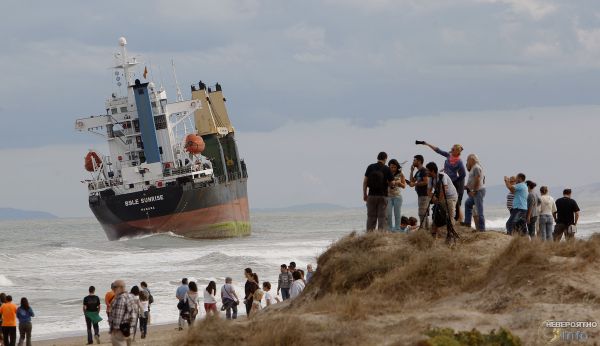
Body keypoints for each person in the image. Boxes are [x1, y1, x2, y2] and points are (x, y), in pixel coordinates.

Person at [422, 142, 467, 222]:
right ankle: (446, 217)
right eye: (451, 149)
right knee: (444, 200)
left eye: (453, 149)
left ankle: (459, 219)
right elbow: (438, 150)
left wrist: (457, 180)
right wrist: (427, 144)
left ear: (457, 151)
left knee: (456, 202)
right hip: (444, 179)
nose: (451, 150)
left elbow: (463, 174)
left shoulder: (459, 162)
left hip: (453, 182)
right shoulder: (449, 156)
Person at [426, 162, 459, 238]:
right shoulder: (431, 178)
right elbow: (428, 191)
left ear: (432, 171)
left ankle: (450, 235)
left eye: (427, 170)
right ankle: (433, 236)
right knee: (436, 216)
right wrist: (433, 198)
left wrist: (438, 200)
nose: (426, 172)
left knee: (450, 216)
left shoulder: (442, 176)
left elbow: (444, 189)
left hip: (451, 197)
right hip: (441, 198)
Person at [363, 152, 394, 231]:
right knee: (382, 218)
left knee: (371, 217)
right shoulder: (387, 169)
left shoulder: (370, 167)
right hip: (383, 196)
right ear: (385, 159)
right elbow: (392, 184)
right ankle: (380, 237)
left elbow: (365, 182)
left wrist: (365, 194)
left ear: (377, 158)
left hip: (371, 195)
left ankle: (369, 236)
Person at [108, 280, 137, 346]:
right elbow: (134, 313)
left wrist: (114, 329)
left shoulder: (120, 298)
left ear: (120, 287)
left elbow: (118, 316)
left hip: (120, 331)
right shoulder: (131, 296)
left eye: (115, 287)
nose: (113, 289)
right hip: (129, 329)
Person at [463, 154, 486, 231]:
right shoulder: (474, 167)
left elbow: (478, 179)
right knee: (467, 204)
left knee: (479, 210)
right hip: (476, 190)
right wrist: (467, 187)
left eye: (467, 160)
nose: (467, 161)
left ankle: (482, 229)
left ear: (472, 159)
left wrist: (475, 190)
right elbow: (473, 180)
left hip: (478, 191)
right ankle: (467, 223)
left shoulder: (476, 167)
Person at [409, 155, 430, 229]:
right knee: (424, 213)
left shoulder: (424, 170)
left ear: (419, 161)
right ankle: (426, 229)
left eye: (414, 160)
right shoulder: (418, 172)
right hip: (420, 195)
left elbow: (426, 181)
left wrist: (415, 184)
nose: (413, 161)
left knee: (422, 213)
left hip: (424, 195)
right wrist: (411, 171)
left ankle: (422, 229)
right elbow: (412, 181)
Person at [386, 159, 406, 231]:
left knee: (397, 214)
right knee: (389, 214)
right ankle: (390, 228)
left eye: (394, 167)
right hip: (388, 196)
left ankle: (397, 228)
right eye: (391, 167)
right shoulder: (386, 174)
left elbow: (404, 186)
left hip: (397, 196)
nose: (393, 169)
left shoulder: (401, 174)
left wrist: (398, 183)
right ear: (389, 167)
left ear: (397, 167)